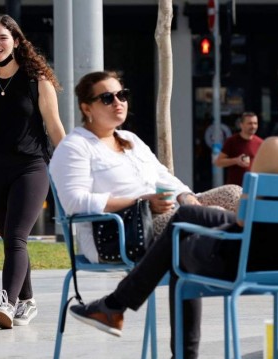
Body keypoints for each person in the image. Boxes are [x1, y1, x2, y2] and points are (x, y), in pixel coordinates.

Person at [68, 58, 278, 359]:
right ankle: (116, 308)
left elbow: (244, 222)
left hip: (251, 262)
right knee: (186, 217)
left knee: (180, 246)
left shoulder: (276, 149)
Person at [49, 71, 241, 265]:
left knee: (234, 194)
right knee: (203, 216)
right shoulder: (75, 146)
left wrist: (185, 196)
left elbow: (162, 177)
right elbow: (74, 202)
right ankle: (237, 252)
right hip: (121, 232)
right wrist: (140, 202)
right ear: (86, 108)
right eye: (107, 98)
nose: (118, 102)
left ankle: (241, 251)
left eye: (122, 95)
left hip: (164, 215)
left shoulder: (130, 139)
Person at [0, 14, 65, 329]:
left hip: (31, 166)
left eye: (3, 38)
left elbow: (53, 125)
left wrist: (71, 164)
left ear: (17, 41)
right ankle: (29, 300)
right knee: (10, 238)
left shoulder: (37, 78)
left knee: (17, 235)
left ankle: (8, 303)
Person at [214, 112, 263, 185]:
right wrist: (236, 160)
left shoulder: (261, 143)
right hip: (235, 188)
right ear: (241, 125)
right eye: (249, 123)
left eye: (255, 123)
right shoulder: (232, 141)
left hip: (254, 187)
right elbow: (218, 162)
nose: (253, 126)